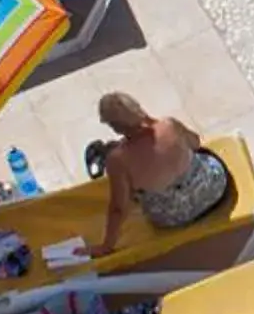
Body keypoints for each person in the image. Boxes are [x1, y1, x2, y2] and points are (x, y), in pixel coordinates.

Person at [97, 93, 231, 253]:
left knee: (133, 188)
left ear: (115, 127)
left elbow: (118, 208)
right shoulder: (169, 125)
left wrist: (106, 246)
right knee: (197, 155)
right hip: (212, 190)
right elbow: (195, 142)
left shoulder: (118, 160)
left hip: (171, 217)